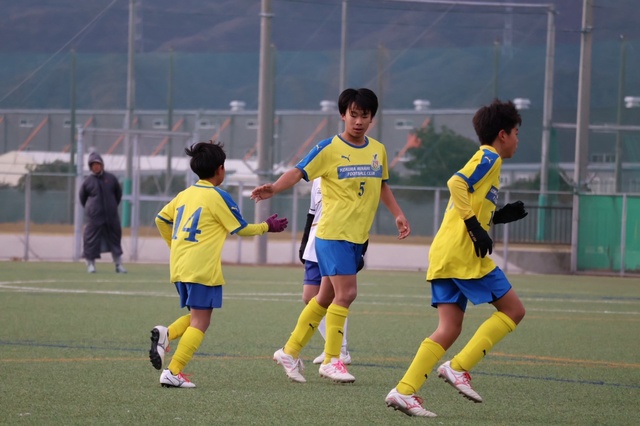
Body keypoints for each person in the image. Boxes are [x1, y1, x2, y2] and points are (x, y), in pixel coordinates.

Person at [251, 87, 411, 384]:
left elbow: (382, 184)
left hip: (357, 237)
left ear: (372, 118)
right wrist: (274, 187)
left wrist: (398, 214)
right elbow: (298, 171)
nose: (358, 121)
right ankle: (332, 359)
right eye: (353, 115)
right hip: (333, 233)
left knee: (324, 297)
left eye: (364, 115)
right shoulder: (328, 148)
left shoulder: (378, 150)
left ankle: (289, 351)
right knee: (346, 294)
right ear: (342, 115)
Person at [385, 99, 528, 417]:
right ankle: (459, 367)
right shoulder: (489, 157)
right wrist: (476, 227)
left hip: (445, 252)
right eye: (516, 133)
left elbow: (469, 200)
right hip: (464, 256)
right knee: (514, 310)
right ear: (503, 134)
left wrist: (497, 216)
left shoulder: (486, 160)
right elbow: (456, 183)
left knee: (449, 328)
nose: (518, 139)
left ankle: (404, 391)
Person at [149, 141, 288, 388]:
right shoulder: (218, 196)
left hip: (179, 266)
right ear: (220, 169)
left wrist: (176, 246)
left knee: (197, 316)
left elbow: (161, 219)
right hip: (202, 268)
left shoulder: (184, 194)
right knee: (201, 322)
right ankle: (173, 371)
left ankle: (166, 335)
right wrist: (267, 226)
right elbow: (241, 228)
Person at [298, 177, 368, 366]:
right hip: (316, 244)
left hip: (338, 243)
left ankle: (339, 350)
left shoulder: (349, 175)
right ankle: (334, 347)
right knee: (310, 297)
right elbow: (311, 214)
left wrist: (361, 249)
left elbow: (362, 215)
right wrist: (304, 244)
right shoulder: (317, 181)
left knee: (338, 296)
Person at [79, 151, 127, 274]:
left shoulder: (111, 178)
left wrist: (111, 206)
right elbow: (82, 198)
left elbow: (118, 194)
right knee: (90, 240)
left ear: (102, 165)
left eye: (98, 164)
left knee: (115, 240)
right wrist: (92, 210)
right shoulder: (87, 181)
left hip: (111, 217)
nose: (96, 167)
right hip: (94, 218)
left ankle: (118, 265)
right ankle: (91, 265)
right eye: (93, 165)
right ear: (90, 167)